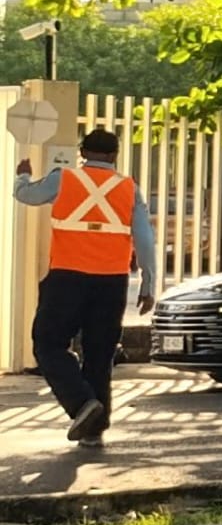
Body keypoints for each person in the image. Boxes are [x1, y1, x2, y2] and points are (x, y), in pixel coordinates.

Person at [14, 128, 157, 447]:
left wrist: (22, 176)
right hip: (112, 282)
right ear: (114, 156)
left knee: (48, 344)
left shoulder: (64, 179)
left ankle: (81, 404)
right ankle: (93, 431)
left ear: (83, 152)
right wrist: (149, 283)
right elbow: (145, 240)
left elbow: (27, 195)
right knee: (99, 354)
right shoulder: (128, 187)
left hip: (67, 278)